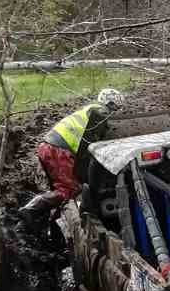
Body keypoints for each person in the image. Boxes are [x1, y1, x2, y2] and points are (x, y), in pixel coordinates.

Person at [22, 87, 126, 215]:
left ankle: (44, 217)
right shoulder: (99, 112)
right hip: (59, 149)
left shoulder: (89, 110)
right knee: (70, 189)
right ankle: (29, 211)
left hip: (52, 147)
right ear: (108, 103)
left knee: (62, 189)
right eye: (114, 107)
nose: (115, 111)